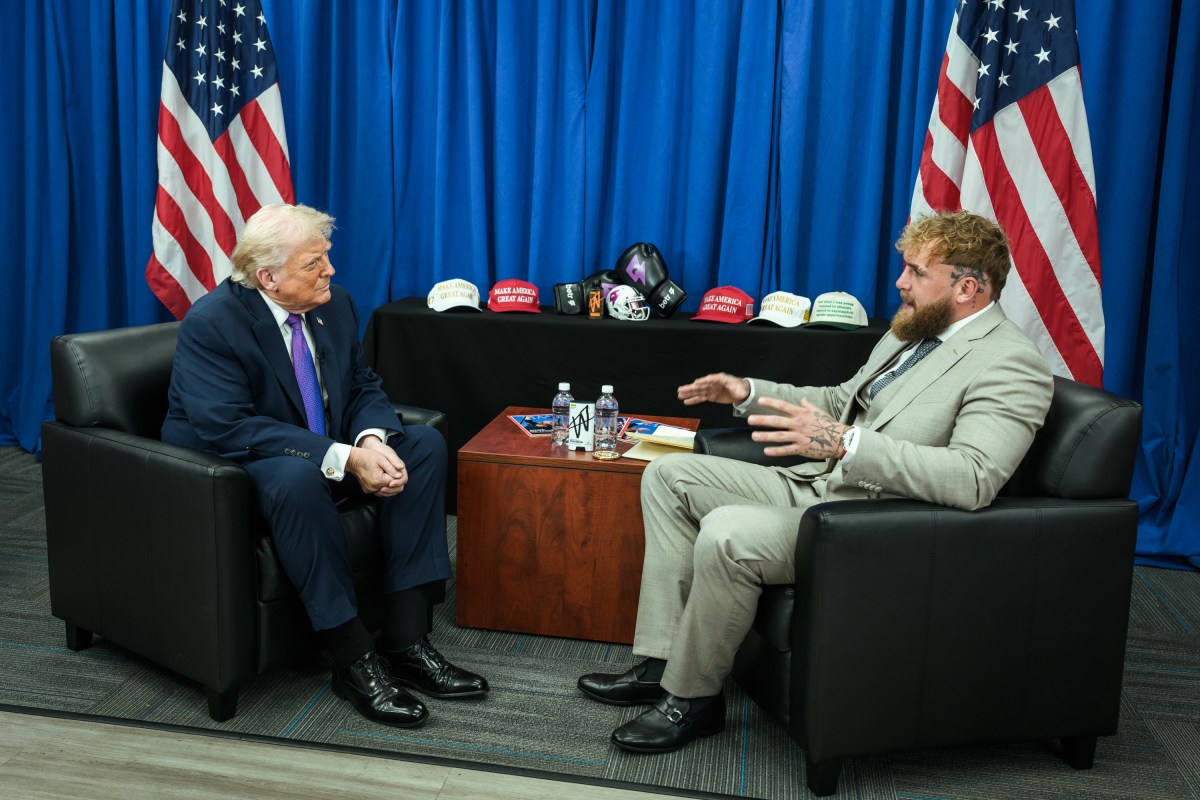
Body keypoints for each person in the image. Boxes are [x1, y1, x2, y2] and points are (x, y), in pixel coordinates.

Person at [577, 210, 1053, 753]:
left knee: (727, 532)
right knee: (668, 474)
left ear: (967, 287)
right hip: (818, 486)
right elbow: (839, 401)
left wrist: (847, 443)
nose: (900, 282)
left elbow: (974, 477)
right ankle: (665, 659)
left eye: (916, 272)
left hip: (868, 522)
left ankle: (692, 698)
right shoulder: (914, 332)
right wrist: (748, 393)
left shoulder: (1011, 364)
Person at [162, 203, 487, 729]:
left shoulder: (335, 306)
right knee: (296, 476)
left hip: (321, 450)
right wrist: (342, 458)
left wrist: (371, 440)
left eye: (327, 257)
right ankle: (353, 659)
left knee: (422, 446)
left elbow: (361, 386)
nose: (329, 271)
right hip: (240, 465)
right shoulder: (212, 324)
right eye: (314, 263)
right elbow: (229, 427)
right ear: (267, 277)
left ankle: (407, 641)